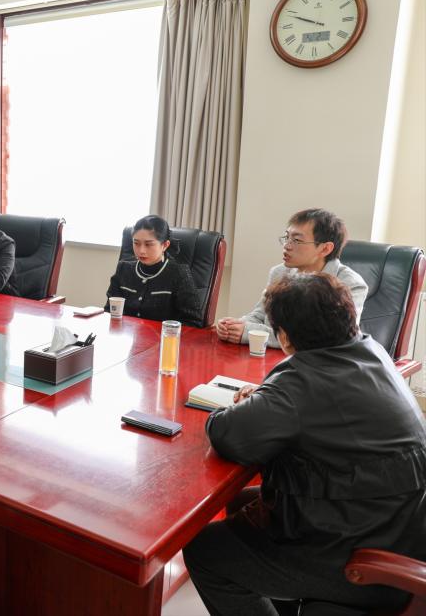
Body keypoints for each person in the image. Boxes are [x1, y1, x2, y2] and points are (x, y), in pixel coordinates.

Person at [184, 273, 426, 616]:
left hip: (362, 558)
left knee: (205, 550)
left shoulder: (302, 382)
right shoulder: (372, 352)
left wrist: (255, 403)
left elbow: (227, 434)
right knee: (241, 501)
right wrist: (268, 400)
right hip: (400, 529)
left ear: (284, 337)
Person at [217, 208, 367, 348]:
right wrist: (234, 326)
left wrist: (250, 333)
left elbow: (329, 338)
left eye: (297, 240)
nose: (287, 246)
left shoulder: (350, 283)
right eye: (287, 237)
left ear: (325, 248)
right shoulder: (280, 272)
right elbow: (260, 315)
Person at [104, 215, 204, 327]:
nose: (141, 251)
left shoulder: (179, 274)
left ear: (165, 245)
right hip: (125, 335)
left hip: (164, 337)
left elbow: (193, 323)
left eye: (148, 244)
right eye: (136, 243)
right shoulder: (123, 269)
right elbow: (109, 311)